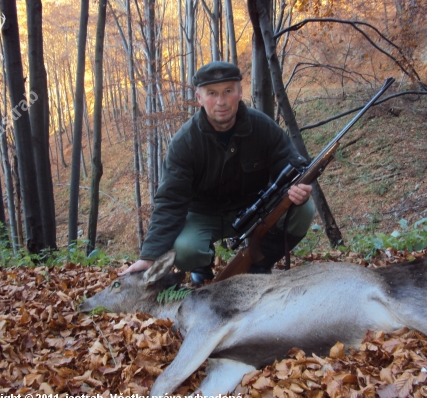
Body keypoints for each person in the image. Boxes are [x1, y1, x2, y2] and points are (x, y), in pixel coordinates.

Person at [121, 61, 315, 285]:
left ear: (240, 92)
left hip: (254, 209)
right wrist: (149, 257)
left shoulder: (263, 127)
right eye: (212, 93)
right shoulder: (185, 142)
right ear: (199, 98)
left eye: (228, 91)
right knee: (184, 251)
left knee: (304, 210)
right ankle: (201, 266)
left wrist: (300, 187)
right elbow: (170, 201)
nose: (221, 102)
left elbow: (293, 165)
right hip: (203, 214)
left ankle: (259, 262)